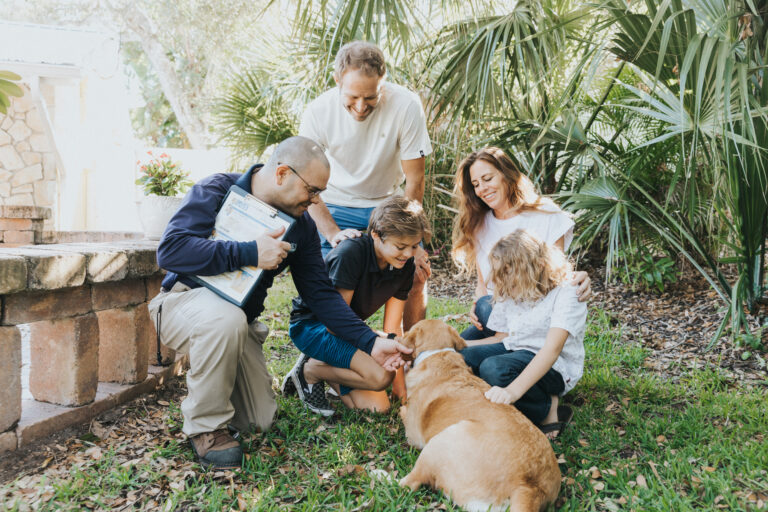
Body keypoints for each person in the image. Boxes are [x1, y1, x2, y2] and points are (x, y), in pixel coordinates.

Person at [148, 136, 411, 470]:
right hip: (181, 303)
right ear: (283, 173)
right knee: (224, 320)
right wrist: (249, 253)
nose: (316, 200)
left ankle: (221, 379)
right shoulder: (217, 189)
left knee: (260, 420)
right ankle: (206, 427)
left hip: (237, 324)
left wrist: (371, 342)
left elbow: (322, 295)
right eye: (313, 190)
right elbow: (170, 250)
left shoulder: (301, 227)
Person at [298, 40, 432, 330]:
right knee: (328, 282)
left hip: (387, 204)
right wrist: (332, 233)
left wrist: (414, 242)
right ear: (337, 81)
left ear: (383, 81)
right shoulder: (318, 112)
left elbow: (415, 179)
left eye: (370, 97)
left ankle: (410, 352)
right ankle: (323, 356)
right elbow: (306, 185)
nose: (360, 107)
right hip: (333, 203)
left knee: (416, 273)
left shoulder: (406, 105)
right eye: (353, 97)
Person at [283, 195, 430, 414]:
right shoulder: (351, 253)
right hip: (314, 327)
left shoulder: (405, 264)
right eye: (400, 246)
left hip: (349, 331)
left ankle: (330, 366)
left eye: (414, 246)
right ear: (376, 235)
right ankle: (310, 371)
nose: (408, 254)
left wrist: (401, 395)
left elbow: (392, 328)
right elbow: (335, 323)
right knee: (380, 376)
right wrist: (376, 344)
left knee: (378, 408)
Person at [451, 146, 591, 340]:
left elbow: (558, 276)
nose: (482, 189)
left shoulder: (545, 214)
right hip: (494, 317)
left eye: (487, 179)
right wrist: (476, 305)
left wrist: (580, 278)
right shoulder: (479, 224)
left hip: (534, 317)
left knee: (484, 318)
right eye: (475, 184)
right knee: (449, 350)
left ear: (506, 175)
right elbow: (483, 286)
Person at [461, 230, 587, 439]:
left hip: (553, 366)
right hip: (515, 349)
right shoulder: (512, 289)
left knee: (493, 369)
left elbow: (551, 350)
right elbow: (501, 338)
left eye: (509, 272)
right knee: (462, 357)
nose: (503, 280)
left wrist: (511, 392)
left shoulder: (567, 292)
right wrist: (456, 344)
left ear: (538, 265)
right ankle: (502, 406)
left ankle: (547, 407)